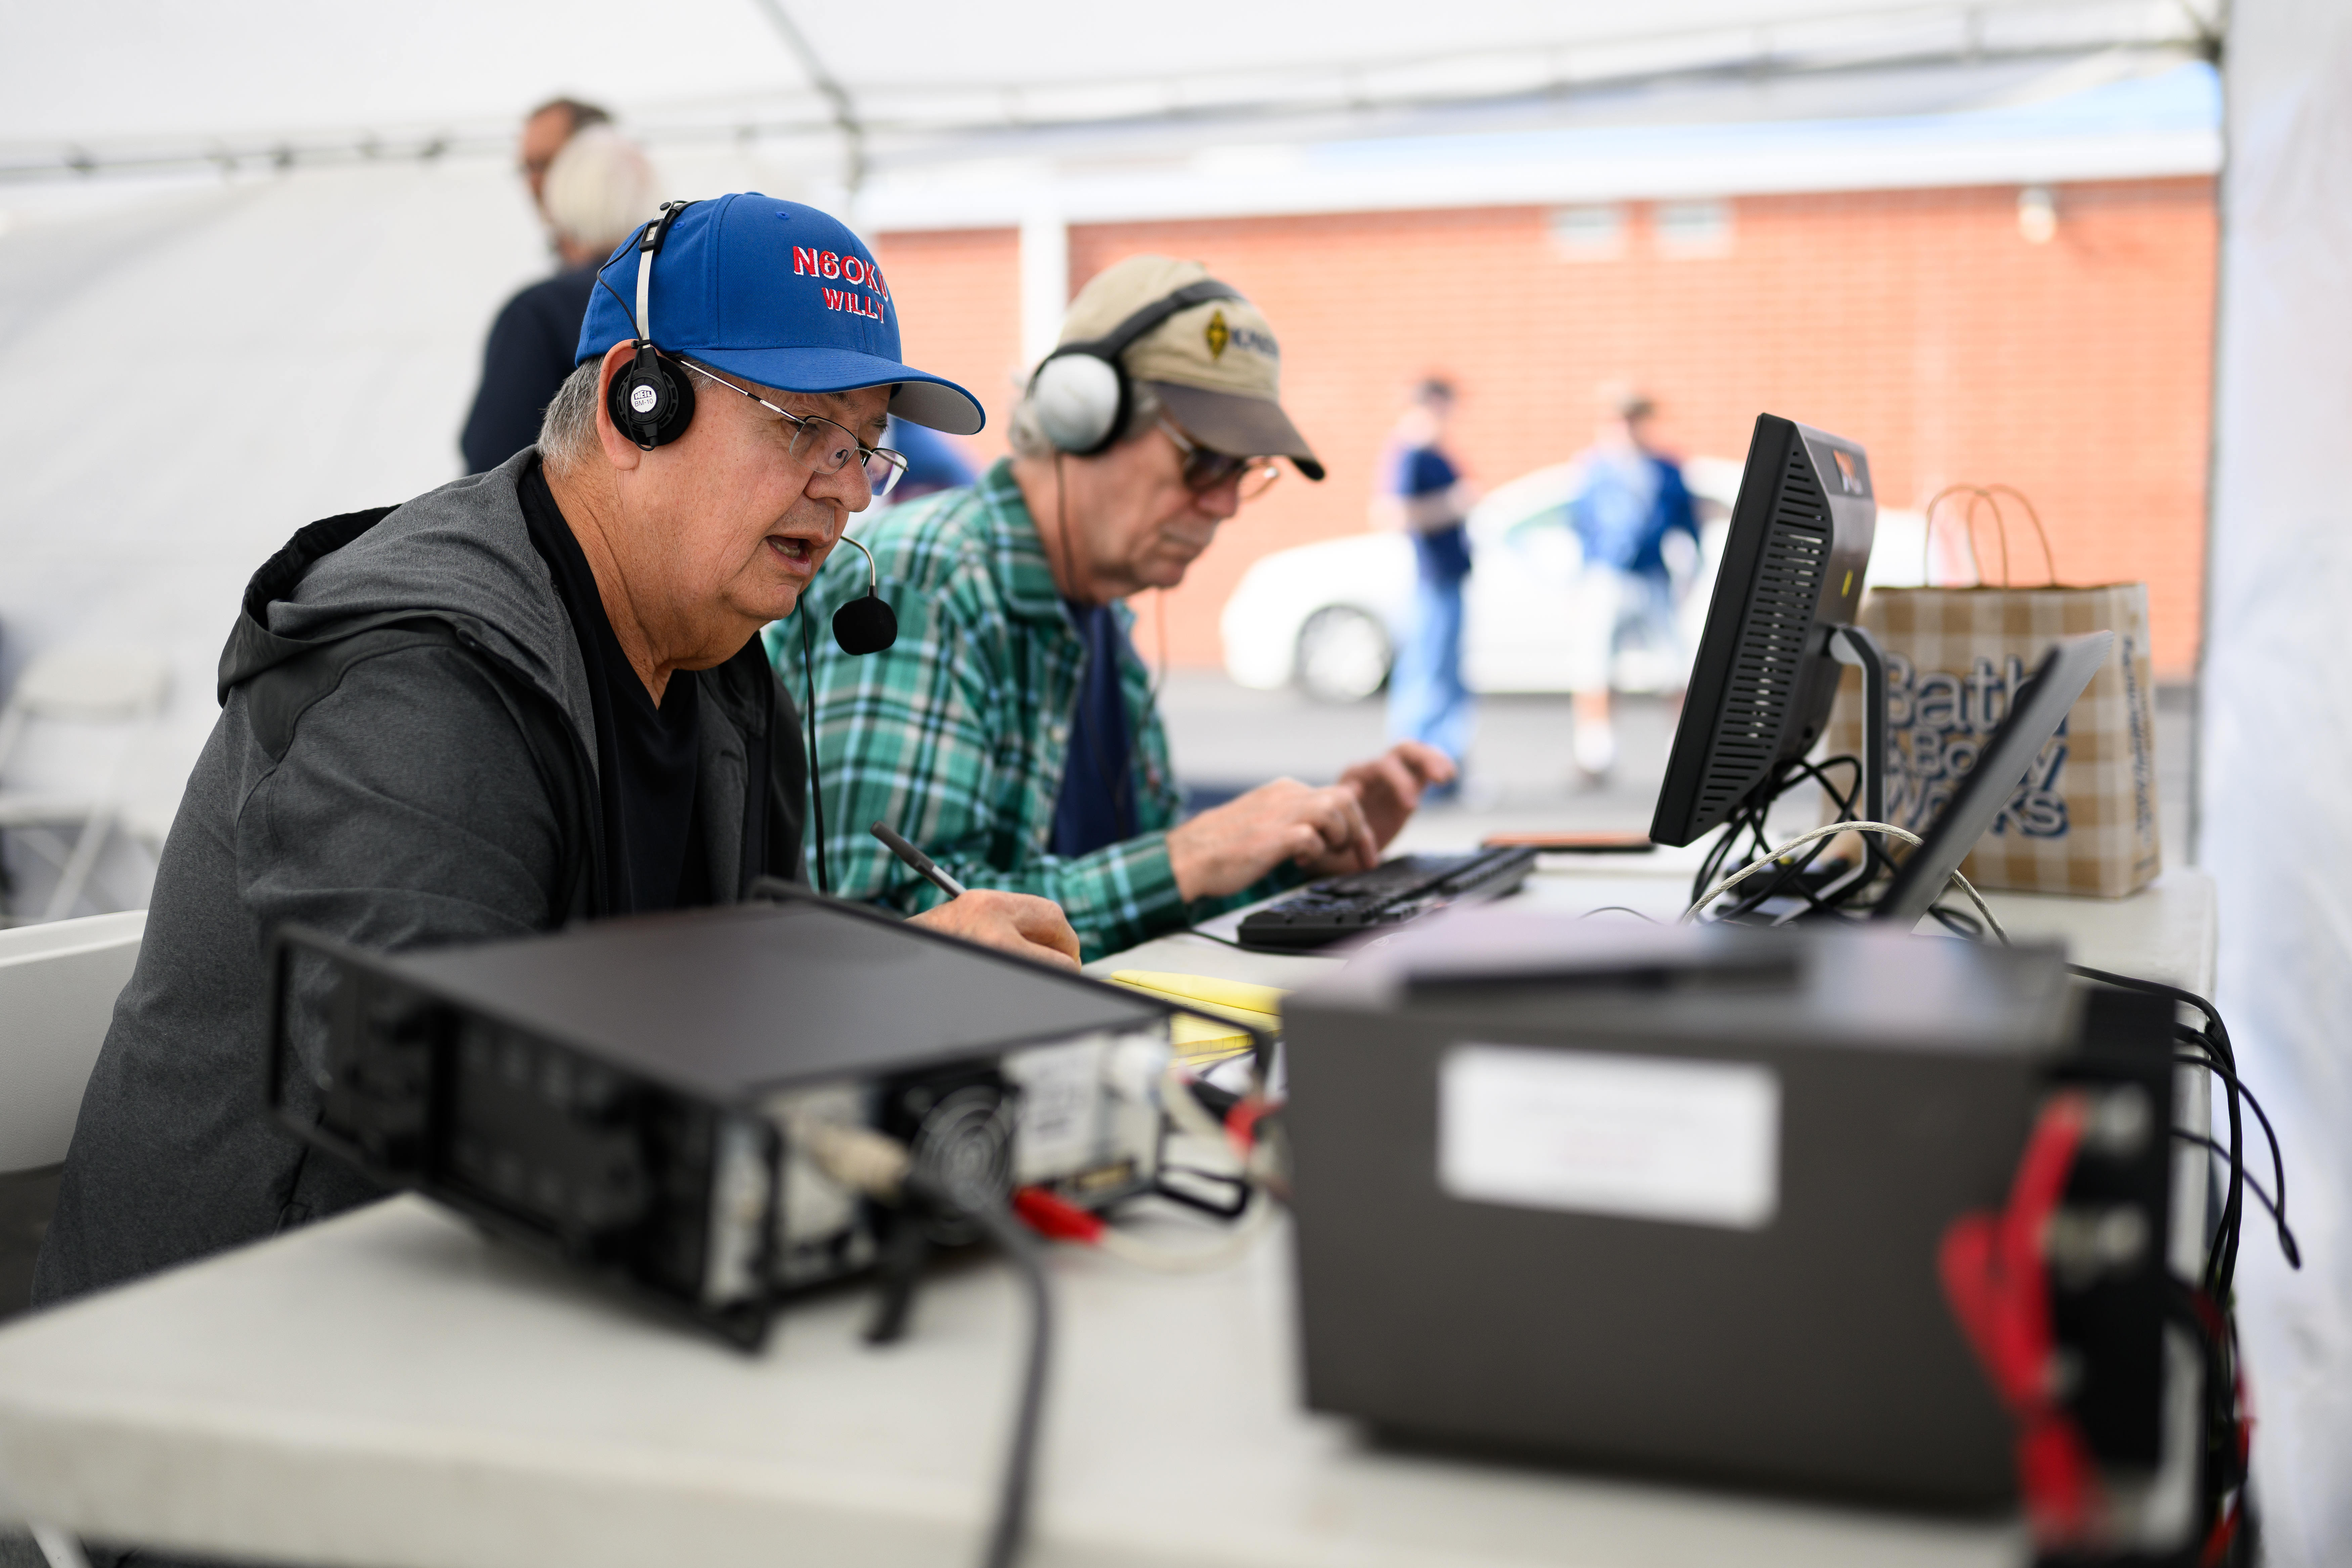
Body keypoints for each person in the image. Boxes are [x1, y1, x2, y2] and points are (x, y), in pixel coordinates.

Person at [35, 195, 1078, 1308]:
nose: (843, 484)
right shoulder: (422, 674)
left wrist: (897, 975)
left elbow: (733, 1003)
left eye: (865, 445)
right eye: (798, 423)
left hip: (518, 1295)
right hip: (238, 1349)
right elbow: (438, 1096)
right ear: (642, 404)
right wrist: (881, 998)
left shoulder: (721, 662)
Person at [792, 255, 1454, 961]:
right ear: (1080, 418)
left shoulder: (1104, 618)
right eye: (1205, 460)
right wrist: (1186, 856)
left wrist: (1296, 861)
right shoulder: (927, 580)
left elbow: (1141, 909)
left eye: (1243, 473)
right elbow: (891, 930)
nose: (1225, 502)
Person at [459, 115, 651, 473]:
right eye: (526, 168)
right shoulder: (684, 305)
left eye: (544, 165)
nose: (532, 183)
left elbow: (488, 473)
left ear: (568, 186)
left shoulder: (539, 313)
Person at [1560, 384, 1701, 781]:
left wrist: (1691, 572)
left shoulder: (1666, 469)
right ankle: (1596, 754)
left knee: (1674, 665)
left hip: (1652, 575)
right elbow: (1581, 526)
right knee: (1594, 666)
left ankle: (1682, 750)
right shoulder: (1593, 469)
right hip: (1606, 576)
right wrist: (1580, 580)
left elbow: (1688, 525)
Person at [1375, 378, 1480, 774]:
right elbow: (1393, 514)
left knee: (1447, 678)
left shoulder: (1434, 452)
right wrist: (1453, 505)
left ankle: (1442, 765)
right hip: (1430, 579)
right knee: (1426, 677)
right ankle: (1413, 768)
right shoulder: (1409, 453)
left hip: (1449, 578)